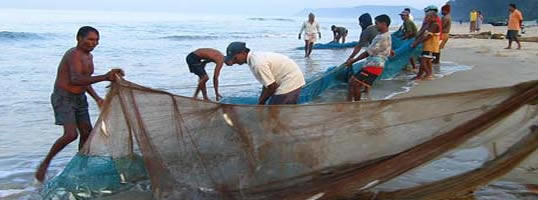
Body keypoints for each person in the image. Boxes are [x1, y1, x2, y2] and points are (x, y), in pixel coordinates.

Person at [35, 26, 124, 182]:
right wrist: (104, 77)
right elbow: (75, 79)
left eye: (96, 40)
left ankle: (81, 167)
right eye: (90, 39)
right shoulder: (73, 55)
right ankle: (45, 163)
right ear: (79, 38)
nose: (94, 43)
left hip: (79, 98)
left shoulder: (89, 57)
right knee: (70, 135)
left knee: (86, 134)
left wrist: (96, 98)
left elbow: (85, 80)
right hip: (64, 97)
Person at [224, 42, 305, 105]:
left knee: (275, 112)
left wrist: (261, 103)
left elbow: (272, 87)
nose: (234, 62)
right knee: (277, 111)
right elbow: (266, 85)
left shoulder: (257, 64)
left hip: (290, 81)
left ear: (243, 53)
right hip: (288, 78)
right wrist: (261, 100)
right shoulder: (254, 58)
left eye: (235, 58)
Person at [345, 15, 392, 102]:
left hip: (375, 65)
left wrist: (352, 60)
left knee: (355, 83)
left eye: (377, 23)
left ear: (384, 24)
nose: (375, 26)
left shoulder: (382, 37)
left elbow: (368, 52)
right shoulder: (384, 34)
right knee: (353, 82)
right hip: (373, 63)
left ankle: (356, 105)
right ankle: (350, 103)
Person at [412, 11, 440, 81]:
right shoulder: (429, 24)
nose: (426, 18)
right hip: (427, 46)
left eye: (428, 16)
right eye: (426, 16)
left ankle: (428, 74)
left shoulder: (435, 25)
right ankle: (422, 75)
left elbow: (428, 36)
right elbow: (422, 31)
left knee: (423, 61)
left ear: (434, 18)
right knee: (427, 61)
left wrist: (417, 42)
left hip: (431, 47)